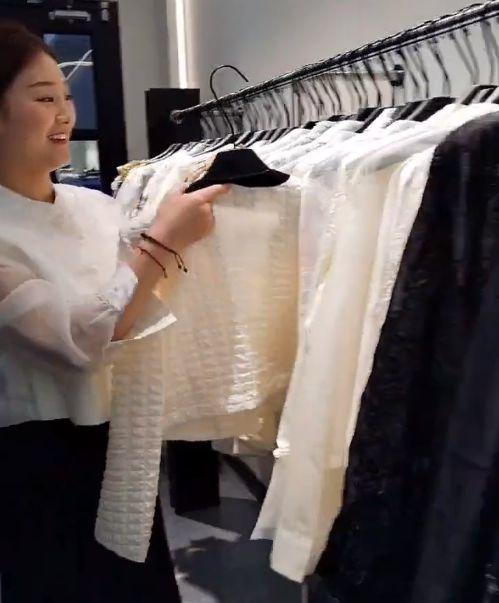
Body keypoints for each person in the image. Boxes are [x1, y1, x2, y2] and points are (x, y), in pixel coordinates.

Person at [0, 21, 228, 602]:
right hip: (36, 456)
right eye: (43, 98)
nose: (65, 113)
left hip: (123, 439)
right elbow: (79, 343)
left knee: (141, 583)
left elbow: (138, 302)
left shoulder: (95, 205)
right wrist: (162, 241)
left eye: (67, 95)